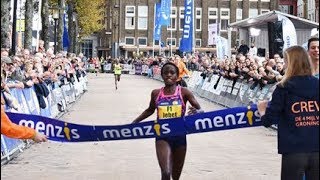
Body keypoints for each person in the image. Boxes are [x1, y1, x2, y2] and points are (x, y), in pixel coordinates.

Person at [132, 62, 203, 180]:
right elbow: (150, 110)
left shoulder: (184, 92)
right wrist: (134, 123)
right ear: (161, 75)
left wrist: (197, 112)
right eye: (165, 73)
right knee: (166, 172)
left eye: (172, 73)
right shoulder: (156, 93)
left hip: (180, 136)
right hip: (162, 136)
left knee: (175, 176)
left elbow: (200, 109)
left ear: (177, 76)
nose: (169, 75)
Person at [257, 46, 319, 180]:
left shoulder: (283, 88)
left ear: (290, 63)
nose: (284, 65)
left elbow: (269, 120)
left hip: (293, 149)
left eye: (285, 61)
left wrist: (262, 110)